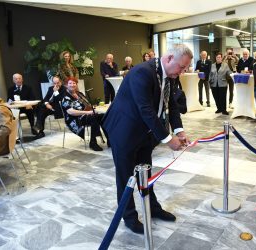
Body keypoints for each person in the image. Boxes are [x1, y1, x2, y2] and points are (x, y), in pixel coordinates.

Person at [103, 44, 192, 234]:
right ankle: (129, 217)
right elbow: (146, 109)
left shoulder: (170, 75)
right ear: (169, 59)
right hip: (124, 131)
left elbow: (172, 105)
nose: (182, 72)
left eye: (185, 69)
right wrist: (168, 139)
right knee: (126, 177)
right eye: (181, 67)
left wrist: (179, 131)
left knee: (146, 173)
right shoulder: (142, 72)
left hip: (145, 132)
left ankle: (153, 208)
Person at [61, 77, 108, 151]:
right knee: (94, 118)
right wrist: (88, 112)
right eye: (70, 83)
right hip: (74, 119)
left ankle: (109, 138)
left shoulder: (79, 94)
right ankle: (93, 142)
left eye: (74, 83)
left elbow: (88, 105)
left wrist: (94, 108)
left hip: (85, 115)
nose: (72, 85)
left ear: (76, 85)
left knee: (103, 116)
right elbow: (70, 111)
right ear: (66, 85)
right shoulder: (65, 97)